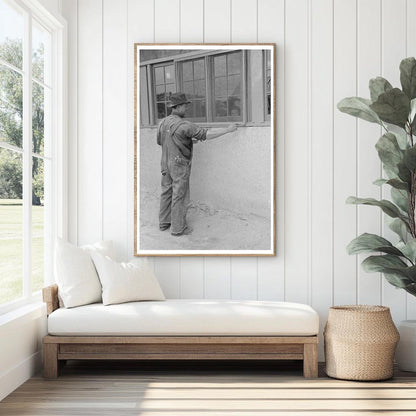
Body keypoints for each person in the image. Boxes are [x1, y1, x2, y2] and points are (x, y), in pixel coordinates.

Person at [157, 92, 237, 236]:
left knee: (166, 192)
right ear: (178, 107)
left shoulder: (162, 123)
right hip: (178, 164)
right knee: (179, 195)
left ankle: (164, 223)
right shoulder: (184, 125)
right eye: (184, 106)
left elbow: (161, 141)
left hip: (165, 163)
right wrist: (228, 130)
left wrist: (186, 141)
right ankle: (178, 228)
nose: (186, 109)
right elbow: (207, 135)